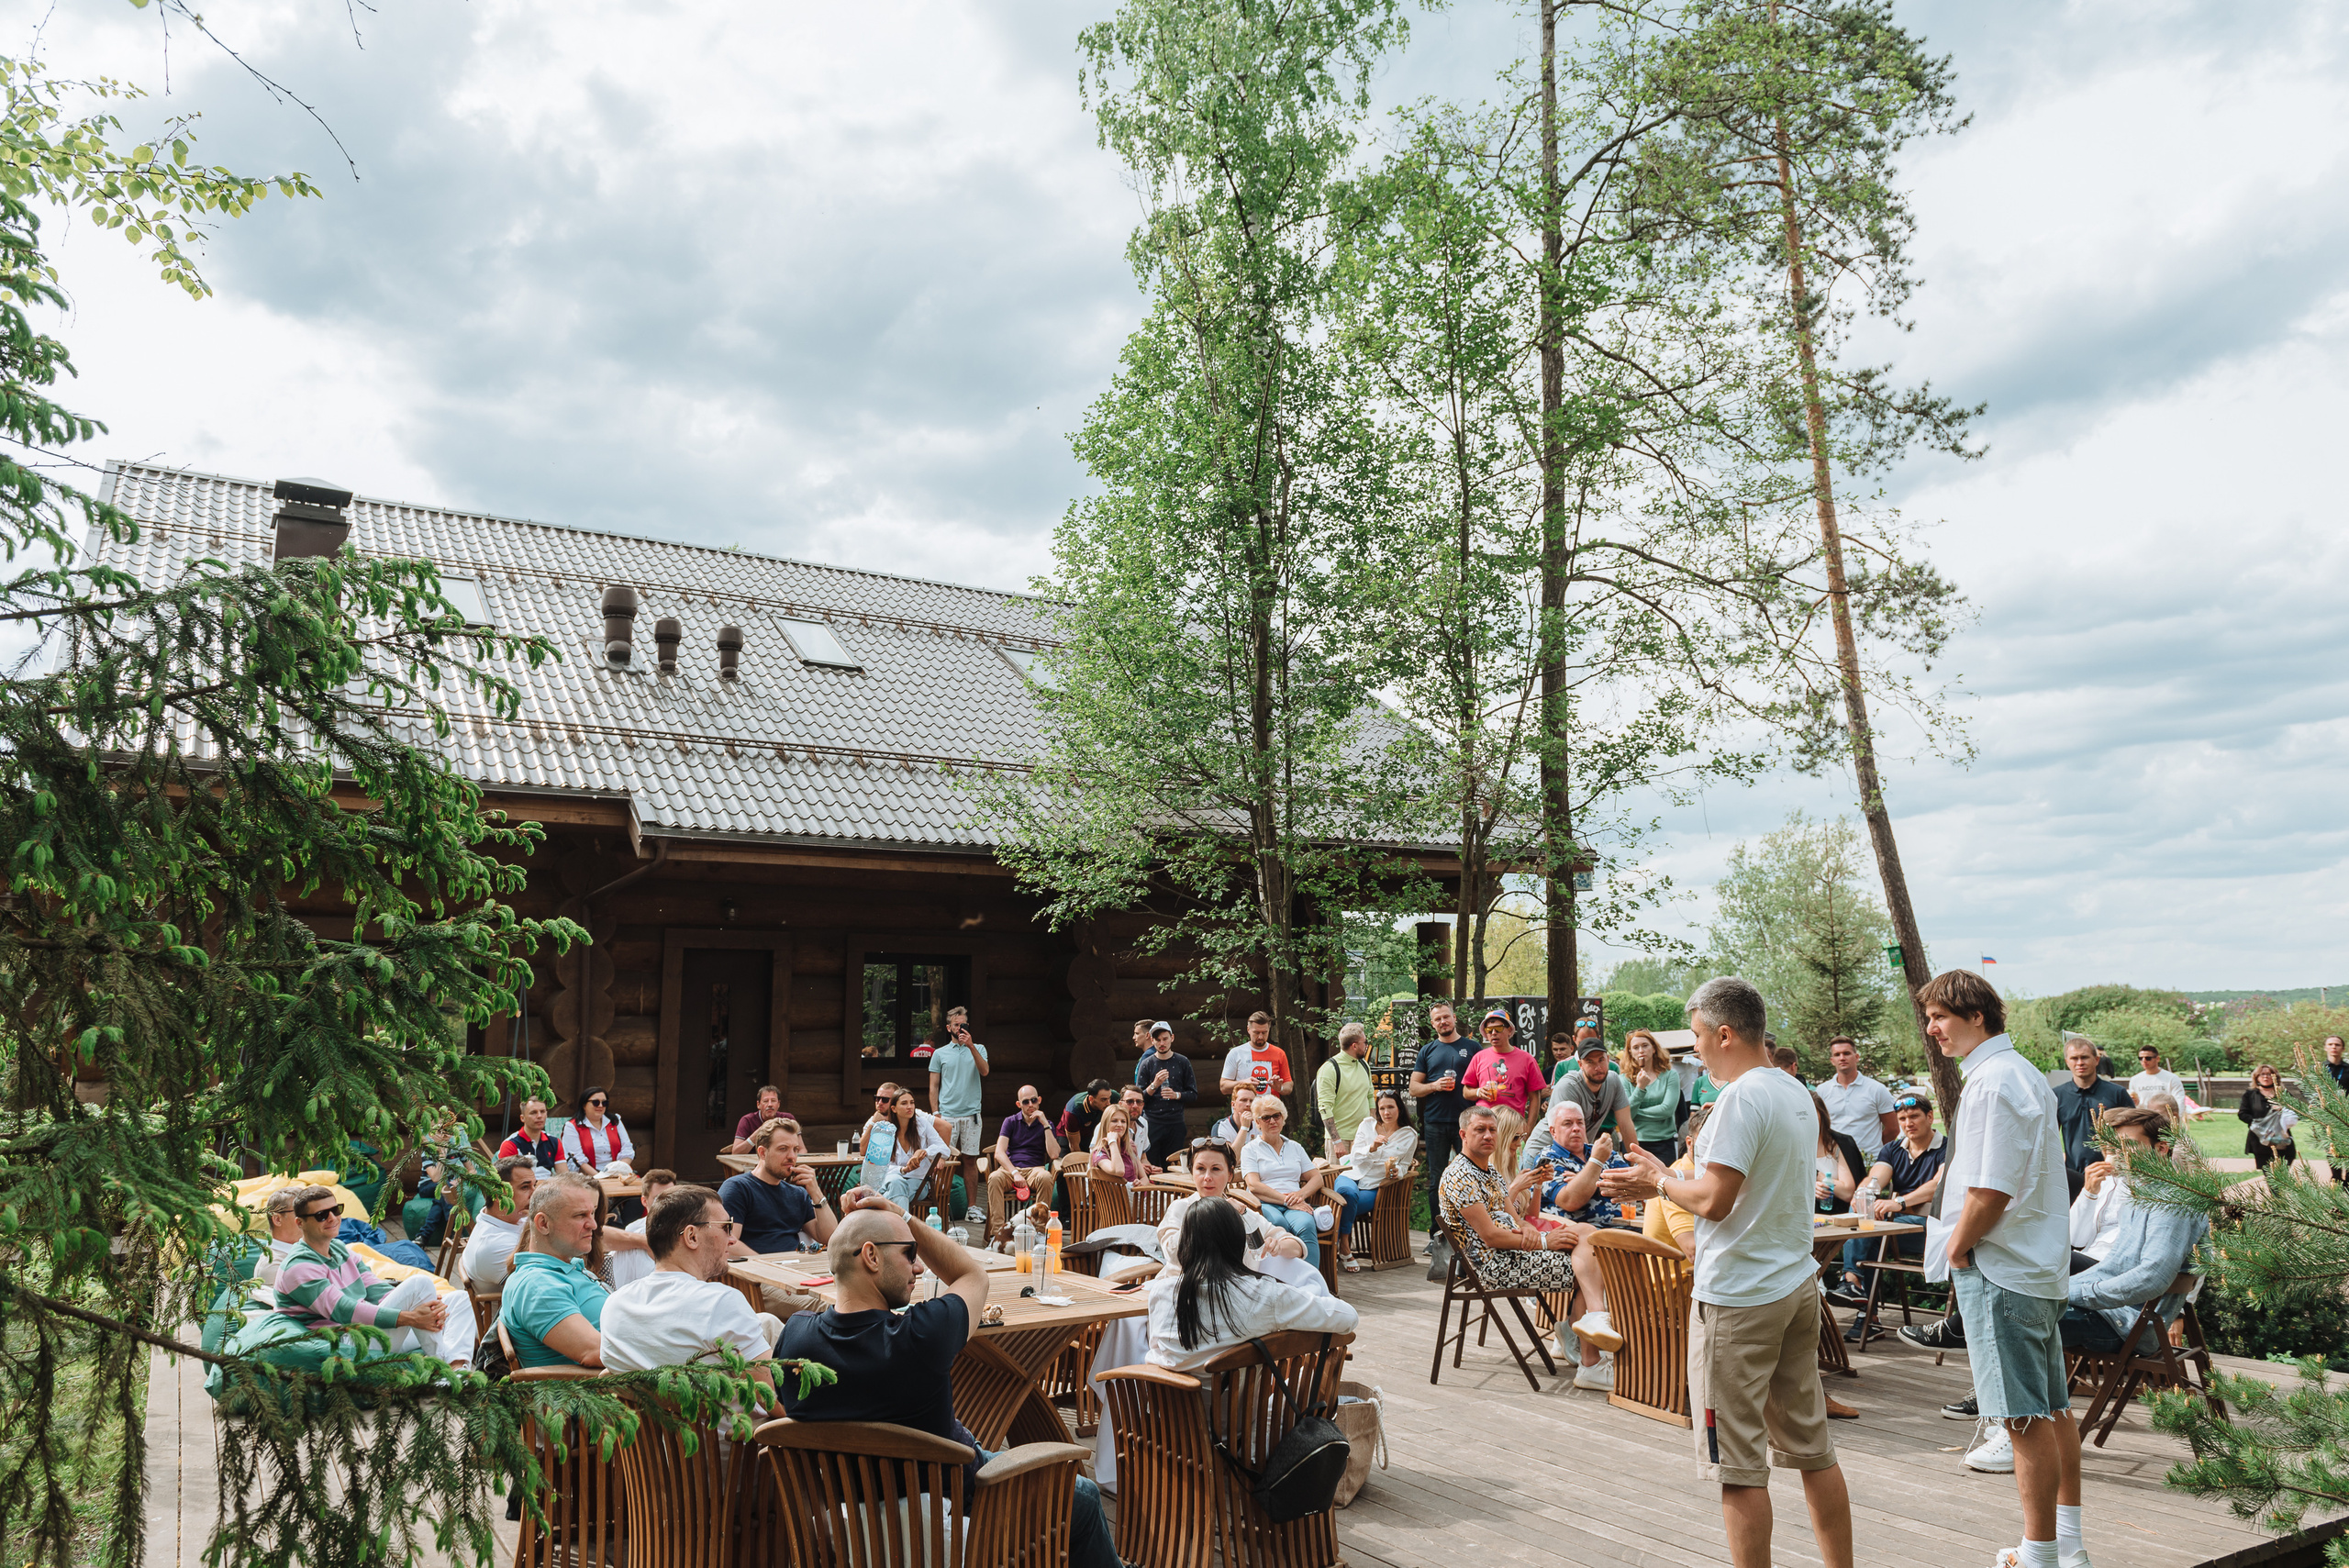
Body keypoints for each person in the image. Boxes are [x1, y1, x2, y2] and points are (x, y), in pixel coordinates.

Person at [1603, 978, 1855, 1567]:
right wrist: (1668, 1176)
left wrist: (1657, 1182)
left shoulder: (1740, 1099)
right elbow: (1744, 1186)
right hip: (1795, 1286)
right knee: (1814, 1451)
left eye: (1696, 1037)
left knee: (1737, 1467)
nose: (1693, 1050)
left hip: (1740, 1299)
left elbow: (1715, 1202)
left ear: (1724, 1034)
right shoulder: (1794, 1090)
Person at [778, 1196, 1130, 1568]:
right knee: (1083, 1496)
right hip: (957, 1506)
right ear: (871, 1256)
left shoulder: (795, 1340)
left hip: (849, 1517)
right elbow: (973, 1275)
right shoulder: (922, 1336)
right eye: (909, 1252)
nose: (918, 1266)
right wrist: (903, 1215)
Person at [1915, 970, 2081, 1568]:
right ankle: (2068, 1547)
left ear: (1976, 1015)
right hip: (2031, 1265)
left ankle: (2040, 1554)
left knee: (2021, 1418)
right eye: (1929, 1018)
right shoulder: (2021, 1073)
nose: (1932, 1029)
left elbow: (1990, 1189)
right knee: (2052, 1409)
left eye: (1940, 1016)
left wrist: (1958, 1247)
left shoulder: (1993, 1081)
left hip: (2003, 1268)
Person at [1438, 1105, 1605, 1382]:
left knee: (1586, 1234)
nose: (1488, 1135)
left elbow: (1516, 1218)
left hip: (1512, 1252)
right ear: (1463, 1134)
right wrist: (1544, 1241)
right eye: (1480, 1130)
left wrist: (1531, 1231)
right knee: (1588, 1266)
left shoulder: (1489, 1170)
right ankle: (1589, 1358)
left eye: (1492, 1130)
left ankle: (1580, 1338)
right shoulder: (1460, 1176)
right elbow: (1490, 1236)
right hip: (1492, 1267)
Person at [1144, 1200, 1358, 1371]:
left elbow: (1157, 1352)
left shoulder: (1162, 1292)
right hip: (1243, 1412)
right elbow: (1348, 1317)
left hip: (1171, 1411)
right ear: (1238, 1242)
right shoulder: (1264, 1294)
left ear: (1186, 1245)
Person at [599, 1184, 778, 1379]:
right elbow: (768, 1394)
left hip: (651, 1399)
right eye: (726, 1227)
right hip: (721, 1400)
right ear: (692, 1236)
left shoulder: (614, 1305)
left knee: (767, 1322)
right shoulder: (721, 1302)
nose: (732, 1239)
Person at [269, 1185, 448, 1354]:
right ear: (300, 1223)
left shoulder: (339, 1248)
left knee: (455, 1300)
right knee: (419, 1283)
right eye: (321, 1215)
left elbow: (376, 1289)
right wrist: (412, 1317)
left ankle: (455, 1364)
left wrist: (420, 1305)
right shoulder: (298, 1267)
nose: (332, 1218)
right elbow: (343, 1311)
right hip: (344, 1343)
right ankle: (442, 1364)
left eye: (336, 1210)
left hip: (364, 1332)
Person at [1827, 1094, 1945, 1317]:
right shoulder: (1893, 1149)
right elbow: (1875, 1178)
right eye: (1902, 1119)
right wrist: (1862, 1195)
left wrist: (1899, 1203)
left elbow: (1937, 1186)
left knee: (1871, 1237)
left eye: (1914, 1116)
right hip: (1896, 1227)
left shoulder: (1947, 1148)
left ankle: (1861, 1303)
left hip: (1934, 1228)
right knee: (1864, 1218)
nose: (1908, 1123)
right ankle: (1856, 1291)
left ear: (1930, 1117)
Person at [718, 1118, 839, 1322]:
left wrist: (816, 1193)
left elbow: (830, 1237)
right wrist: (773, 1272)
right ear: (762, 1152)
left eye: (795, 1149)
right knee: (832, 1306)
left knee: (858, 1300)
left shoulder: (797, 1194)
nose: (792, 1156)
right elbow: (728, 1242)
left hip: (798, 1275)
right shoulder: (738, 1188)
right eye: (783, 1149)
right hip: (757, 1281)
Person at [500, 1174, 612, 1369]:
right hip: (612, 1384)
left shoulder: (562, 1267)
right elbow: (596, 1352)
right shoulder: (538, 1285)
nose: (593, 1225)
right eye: (580, 1216)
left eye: (592, 1213)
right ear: (543, 1224)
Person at [1155, 1138, 1309, 1274]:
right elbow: (1171, 1253)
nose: (1207, 1177)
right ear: (1192, 1173)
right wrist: (1207, 1216)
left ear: (1230, 1175)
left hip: (1236, 1291)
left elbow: (1297, 1247)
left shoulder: (1241, 1213)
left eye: (1216, 1169)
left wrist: (1278, 1247)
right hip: (1184, 1289)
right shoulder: (1181, 1208)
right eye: (1200, 1169)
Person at [1334, 1088, 1416, 1270]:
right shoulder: (1367, 1125)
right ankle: (1344, 1247)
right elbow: (1354, 1158)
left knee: (1342, 1205)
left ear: (1399, 1108)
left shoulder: (1409, 1135)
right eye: (1382, 1108)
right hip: (1352, 1175)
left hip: (1375, 1186)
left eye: (1390, 1107)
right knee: (1346, 1193)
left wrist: (1397, 1173)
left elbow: (1405, 1165)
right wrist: (1372, 1147)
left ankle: (1336, 1246)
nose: (1386, 1112)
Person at [1239, 1095, 1326, 1264]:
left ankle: (1311, 1278)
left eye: (1276, 1116)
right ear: (1257, 1122)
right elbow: (1253, 1185)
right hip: (1264, 1204)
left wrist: (1299, 1195)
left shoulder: (1295, 1147)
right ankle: (1281, 1278)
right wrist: (1287, 1200)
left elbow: (1316, 1178)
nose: (1272, 1121)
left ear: (1283, 1118)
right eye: (1266, 1117)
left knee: (1307, 1224)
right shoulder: (1250, 1149)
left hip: (1295, 1203)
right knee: (1277, 1224)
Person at [1409, 1000, 1475, 1222]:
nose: (1443, 1021)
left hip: (1467, 1122)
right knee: (1437, 1178)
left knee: (1470, 1175)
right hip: (1435, 1122)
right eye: (1437, 1019)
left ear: (1454, 1018)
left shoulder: (1472, 1047)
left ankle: (1469, 1228)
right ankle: (1438, 1231)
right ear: (1432, 1024)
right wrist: (1434, 1086)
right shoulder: (1427, 1050)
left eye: (1446, 1016)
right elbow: (1413, 1088)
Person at [1463, 1008, 1549, 1172]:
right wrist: (1478, 1092)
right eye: (1489, 1030)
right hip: (1485, 1126)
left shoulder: (1526, 1059)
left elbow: (1535, 1097)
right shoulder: (1479, 1057)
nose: (1493, 1033)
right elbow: (1466, 1091)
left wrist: (1528, 1128)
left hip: (1512, 1127)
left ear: (1509, 1030)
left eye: (1498, 1028)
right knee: (1484, 1169)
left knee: (1511, 1170)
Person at [1533, 1030, 1633, 1165]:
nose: (1598, 1067)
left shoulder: (1614, 1080)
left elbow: (1626, 1125)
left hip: (1578, 1151)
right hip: (1544, 1153)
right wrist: (1591, 1167)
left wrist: (1636, 1162)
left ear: (1608, 1059)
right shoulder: (1569, 1086)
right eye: (1590, 1062)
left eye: (1601, 1060)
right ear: (1580, 1064)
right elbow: (1576, 1132)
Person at [2053, 1035, 2132, 1198]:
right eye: (2074, 1058)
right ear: (2067, 1062)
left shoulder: (2117, 1093)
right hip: (2073, 1177)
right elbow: (2049, 1137)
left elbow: (2133, 1133)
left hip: (2111, 1176)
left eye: (2084, 1057)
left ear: (2096, 1060)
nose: (2080, 1063)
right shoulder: (2057, 1095)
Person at [986, 1084, 1063, 1240]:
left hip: (1035, 1169)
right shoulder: (1010, 1122)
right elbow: (999, 1153)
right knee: (994, 1178)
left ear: (1039, 1100)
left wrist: (1045, 1125)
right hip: (1010, 1169)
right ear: (1018, 1104)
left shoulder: (1047, 1124)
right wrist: (1015, 1172)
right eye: (1026, 1102)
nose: (1030, 1105)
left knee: (1046, 1177)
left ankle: (1040, 1233)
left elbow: (1054, 1154)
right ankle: (998, 1233)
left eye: (1034, 1100)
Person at [865, 1084, 953, 1207]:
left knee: (896, 1188)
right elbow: (878, 1167)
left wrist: (923, 1152)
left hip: (918, 1182)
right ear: (894, 1109)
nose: (909, 1107)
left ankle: (874, 1207)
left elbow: (944, 1149)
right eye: (904, 1103)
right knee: (897, 1182)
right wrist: (903, 1170)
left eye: (912, 1103)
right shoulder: (885, 1130)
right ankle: (901, 1219)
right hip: (890, 1179)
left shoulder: (922, 1124)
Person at [926, 1006, 991, 1165]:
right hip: (947, 1115)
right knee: (943, 1158)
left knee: (970, 1160)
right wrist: (936, 1113)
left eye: (963, 1025)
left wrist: (970, 1046)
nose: (959, 1028)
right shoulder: (939, 1053)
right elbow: (933, 1086)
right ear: (949, 1028)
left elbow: (984, 1071)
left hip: (972, 1114)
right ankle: (944, 1185)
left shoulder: (979, 1048)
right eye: (956, 1025)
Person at [460, 1157, 537, 1289]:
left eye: (534, 1185)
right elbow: (539, 1286)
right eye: (525, 1187)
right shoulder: (495, 1244)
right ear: (497, 1195)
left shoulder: (508, 1218)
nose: (535, 1194)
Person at [1814, 1038, 1898, 1152]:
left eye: (1847, 1053)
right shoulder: (1822, 1091)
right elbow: (1818, 1128)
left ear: (1857, 1057)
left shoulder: (1877, 1089)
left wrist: (1875, 1151)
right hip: (1835, 1158)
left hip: (1870, 1159)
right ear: (1832, 1060)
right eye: (1837, 1054)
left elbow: (1893, 1129)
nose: (1842, 1058)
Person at [604, 1167, 675, 1293]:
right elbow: (598, 1236)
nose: (667, 1204)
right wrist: (645, 1242)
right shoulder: (634, 1230)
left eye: (672, 1197)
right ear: (644, 1201)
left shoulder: (689, 1228)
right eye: (658, 1199)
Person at [1623, 1029, 1686, 1167]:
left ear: (1654, 1049)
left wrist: (1637, 1113)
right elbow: (1627, 1115)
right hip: (1634, 1142)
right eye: (1636, 1047)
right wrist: (1640, 1088)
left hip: (1663, 1143)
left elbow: (1667, 1110)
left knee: (1664, 1179)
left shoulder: (1670, 1076)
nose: (1641, 1050)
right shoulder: (1624, 1079)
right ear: (1630, 1052)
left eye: (1645, 1045)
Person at [1135, 1022, 1197, 1158]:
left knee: (1172, 1164)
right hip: (1152, 1122)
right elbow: (1139, 1098)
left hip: (1175, 1123)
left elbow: (1193, 1094)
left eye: (1165, 1039)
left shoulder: (1183, 1061)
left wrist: (1177, 1095)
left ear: (1172, 1038)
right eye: (1158, 1040)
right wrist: (1154, 1085)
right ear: (1152, 1040)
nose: (1162, 1043)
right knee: (1151, 1163)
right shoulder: (1147, 1063)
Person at [1314, 1023, 1375, 1160]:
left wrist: (1372, 1130)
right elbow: (1324, 1108)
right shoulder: (1329, 1069)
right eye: (1365, 1042)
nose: (1367, 1046)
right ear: (1355, 1046)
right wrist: (1337, 1142)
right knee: (1341, 1175)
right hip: (1341, 1141)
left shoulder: (1364, 1065)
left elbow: (1370, 1096)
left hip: (1364, 1138)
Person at [1810, 1094, 1868, 1217]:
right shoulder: (1791, 1146)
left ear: (1822, 1115)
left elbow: (1847, 1192)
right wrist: (1810, 1186)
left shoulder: (1841, 1144)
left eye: (1813, 1114)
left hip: (1839, 1214)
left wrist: (1818, 1176)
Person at [2238, 1062, 2300, 1172]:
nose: (2266, 1077)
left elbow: (2297, 1111)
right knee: (2269, 1172)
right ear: (2256, 1077)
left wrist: (2283, 1108)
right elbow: (2242, 1114)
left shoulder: (2283, 1094)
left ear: (2275, 1077)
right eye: (2262, 1074)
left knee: (2285, 1168)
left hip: (2281, 1137)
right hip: (2261, 1139)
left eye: (2269, 1074)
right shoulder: (2251, 1094)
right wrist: (2260, 1124)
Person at [1218, 1011, 1294, 1101]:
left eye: (1264, 1033)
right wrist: (1243, 1083)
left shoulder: (1279, 1053)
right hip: (1245, 1108)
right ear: (1248, 1029)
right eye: (1256, 1032)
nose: (1260, 1037)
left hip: (1270, 1107)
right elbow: (1223, 1087)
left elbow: (1289, 1086)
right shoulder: (1236, 1053)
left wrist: (1280, 1088)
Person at [559, 1086, 634, 1175]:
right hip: (588, 1176)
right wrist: (600, 1177)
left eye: (604, 1103)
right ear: (584, 1105)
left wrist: (618, 1172)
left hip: (617, 1173)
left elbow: (627, 1149)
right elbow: (578, 1159)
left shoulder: (615, 1121)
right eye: (596, 1102)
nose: (600, 1106)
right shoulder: (572, 1126)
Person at [496, 1097, 562, 1173]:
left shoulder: (554, 1142)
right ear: (522, 1118)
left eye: (542, 1111)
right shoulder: (510, 1144)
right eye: (533, 1112)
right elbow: (507, 1178)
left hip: (549, 1181)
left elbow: (564, 1175)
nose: (539, 1116)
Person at [1091, 1104, 1150, 1184]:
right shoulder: (1099, 1153)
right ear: (1105, 1124)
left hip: (1136, 1190)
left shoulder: (1130, 1147)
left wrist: (1140, 1183)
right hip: (1116, 1192)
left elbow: (1144, 1178)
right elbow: (1119, 1171)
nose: (1120, 1125)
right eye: (1114, 1121)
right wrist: (1112, 1142)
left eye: (1123, 1121)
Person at [1058, 1078, 1116, 1155]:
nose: (1108, 1103)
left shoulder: (1113, 1096)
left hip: (1092, 1133)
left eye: (1109, 1098)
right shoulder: (1073, 1111)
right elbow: (1074, 1146)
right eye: (1103, 1100)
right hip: (1069, 1137)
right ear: (1091, 1099)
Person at [2127, 1048, 2188, 1114]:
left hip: (2164, 1117)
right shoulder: (2135, 1079)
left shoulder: (2172, 1078)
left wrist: (2177, 1117)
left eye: (2148, 1058)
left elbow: (2179, 1101)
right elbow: (2133, 1104)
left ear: (2157, 1059)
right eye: (2140, 1058)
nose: (2144, 1060)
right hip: (2143, 1116)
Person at [727, 1085, 784, 1154]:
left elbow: (797, 1147)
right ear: (758, 1105)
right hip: (752, 1160)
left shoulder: (786, 1119)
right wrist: (757, 1135)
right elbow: (736, 1153)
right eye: (765, 1101)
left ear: (778, 1104)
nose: (770, 1104)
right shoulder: (747, 1120)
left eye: (773, 1101)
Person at [1208, 1086, 1257, 1154]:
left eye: (1252, 1101)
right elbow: (1229, 1157)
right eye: (1243, 1100)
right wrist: (1244, 1128)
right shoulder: (1221, 1126)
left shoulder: (1260, 1124)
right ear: (1233, 1105)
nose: (1248, 1104)